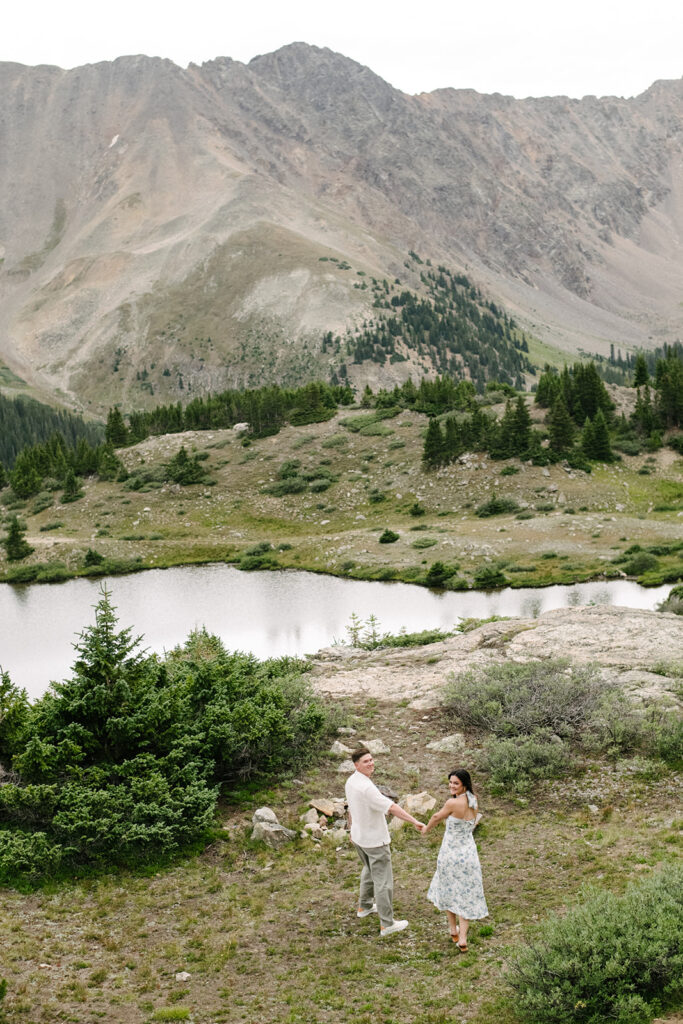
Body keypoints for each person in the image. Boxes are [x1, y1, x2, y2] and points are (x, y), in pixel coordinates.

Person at [345, 745, 424, 937]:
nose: (371, 763)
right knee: (383, 882)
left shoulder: (351, 782)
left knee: (369, 871)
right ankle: (387, 924)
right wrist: (414, 821)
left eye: (371, 759)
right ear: (356, 765)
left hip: (359, 837)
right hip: (374, 841)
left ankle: (364, 907)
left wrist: (350, 829)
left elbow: (351, 808)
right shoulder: (367, 788)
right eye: (366, 761)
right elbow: (392, 808)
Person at [421, 768, 488, 951]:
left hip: (450, 852)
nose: (452, 786)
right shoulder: (474, 800)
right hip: (468, 852)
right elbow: (473, 823)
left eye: (455, 783)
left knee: (448, 889)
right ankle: (463, 937)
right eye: (450, 782)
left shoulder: (452, 803)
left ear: (464, 784)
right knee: (464, 893)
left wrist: (426, 829)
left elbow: (436, 816)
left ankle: (453, 929)